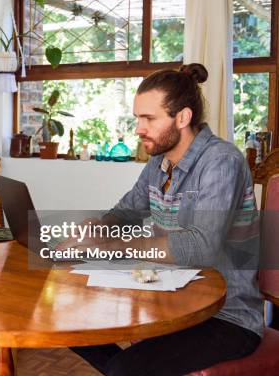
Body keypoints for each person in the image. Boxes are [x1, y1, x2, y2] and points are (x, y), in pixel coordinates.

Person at [62, 63, 263, 375]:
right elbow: (127, 210)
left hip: (226, 316)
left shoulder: (222, 162)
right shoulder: (159, 161)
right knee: (67, 320)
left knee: (125, 370)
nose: (138, 128)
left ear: (182, 117)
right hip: (170, 302)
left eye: (149, 119)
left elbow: (202, 246)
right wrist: (95, 229)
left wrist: (115, 244)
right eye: (137, 118)